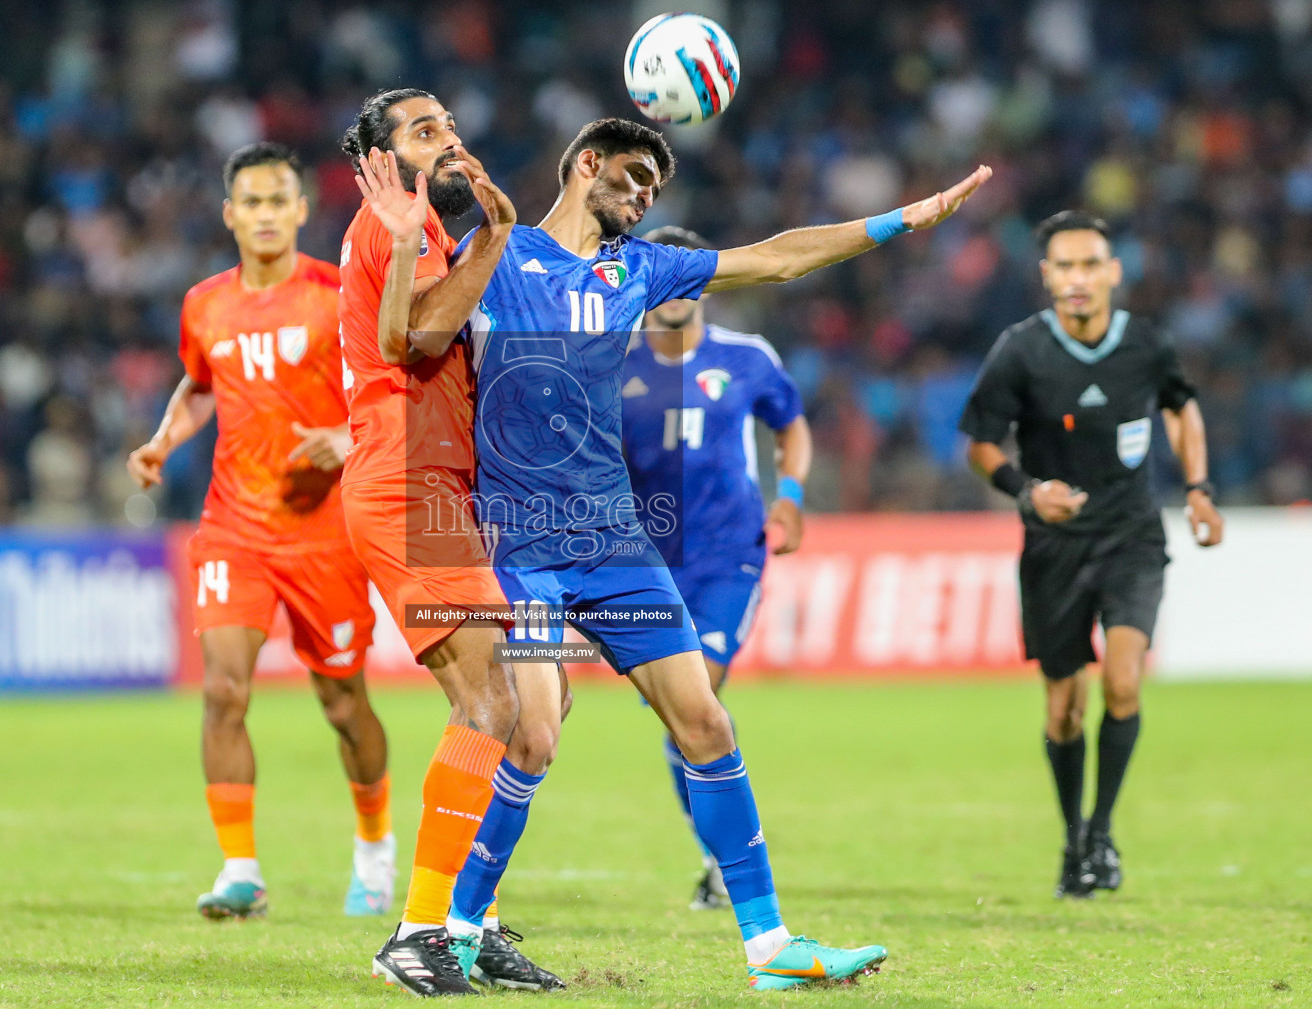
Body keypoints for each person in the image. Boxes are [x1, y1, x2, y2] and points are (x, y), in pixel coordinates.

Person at [366, 115, 989, 991]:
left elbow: (776, 257)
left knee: (706, 722)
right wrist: (423, 250)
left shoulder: (641, 268)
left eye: (655, 187)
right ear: (586, 166)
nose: (644, 196)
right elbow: (415, 340)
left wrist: (903, 219)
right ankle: (455, 928)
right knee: (532, 732)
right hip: (517, 542)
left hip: (616, 543)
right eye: (631, 178)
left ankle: (772, 949)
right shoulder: (497, 251)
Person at [126, 143, 393, 921]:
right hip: (233, 527)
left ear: (302, 209)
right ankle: (240, 869)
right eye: (253, 201)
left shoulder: (341, 294)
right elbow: (200, 383)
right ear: (230, 215)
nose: (268, 214)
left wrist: (349, 439)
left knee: (343, 704)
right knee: (222, 691)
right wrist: (162, 439)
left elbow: (390, 390)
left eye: (281, 199)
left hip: (325, 532)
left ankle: (373, 850)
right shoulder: (204, 303)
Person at [337, 89, 560, 995]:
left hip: (435, 489)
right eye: (427, 133)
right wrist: (498, 240)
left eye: (453, 126)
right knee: (491, 706)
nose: (454, 141)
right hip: (403, 487)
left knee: (521, 714)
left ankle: (471, 923)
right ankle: (424, 929)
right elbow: (415, 338)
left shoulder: (423, 231)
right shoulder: (395, 225)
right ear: (385, 160)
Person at [958, 210, 1225, 898]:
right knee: (1064, 710)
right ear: (1047, 277)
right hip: (1054, 547)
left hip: (1133, 536)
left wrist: (1197, 487)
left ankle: (1101, 834)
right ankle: (1072, 836)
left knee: (1126, 683)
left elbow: (1181, 405)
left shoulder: (1146, 344)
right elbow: (982, 443)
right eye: (1065, 267)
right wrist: (1026, 490)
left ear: (1113, 271)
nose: (1078, 279)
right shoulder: (1019, 350)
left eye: (1090, 264)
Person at [619, 225, 811, 912]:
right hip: (644, 562)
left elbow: (790, 423)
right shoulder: (611, 360)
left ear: (699, 283)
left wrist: (788, 499)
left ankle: (720, 860)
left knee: (701, 688)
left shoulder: (746, 357)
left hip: (730, 553)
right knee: (681, 714)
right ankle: (715, 851)